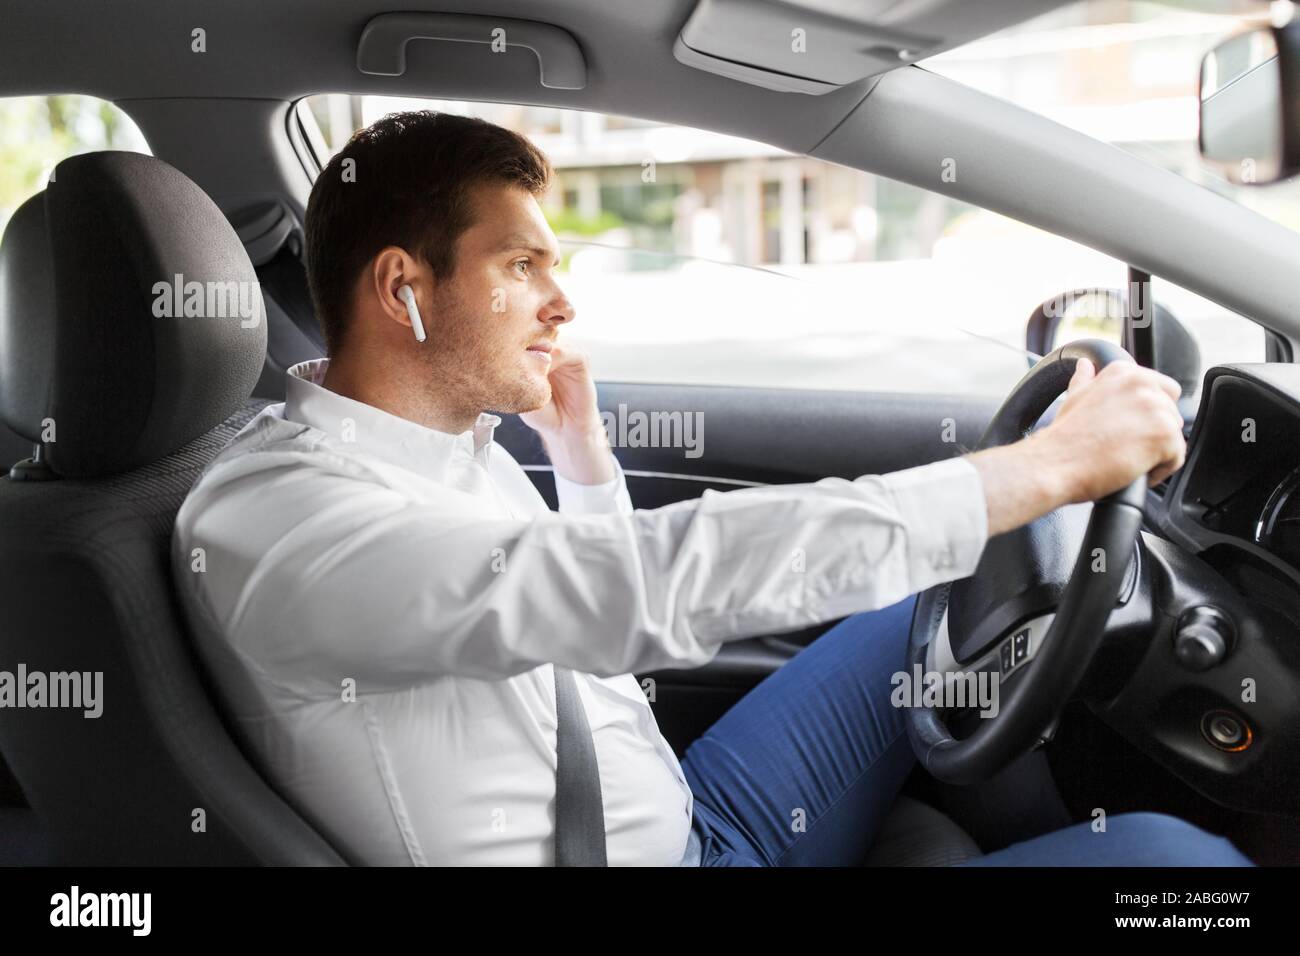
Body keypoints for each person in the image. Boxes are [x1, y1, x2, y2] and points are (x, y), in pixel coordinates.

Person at [171, 110, 1251, 867]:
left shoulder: (438, 446)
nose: (561, 305)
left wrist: (583, 460)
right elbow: (634, 585)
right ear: (403, 288)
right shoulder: (281, 524)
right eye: (521, 268)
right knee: (1172, 859)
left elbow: (595, 630)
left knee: (940, 604)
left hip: (692, 806)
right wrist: (1045, 468)